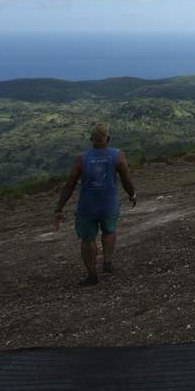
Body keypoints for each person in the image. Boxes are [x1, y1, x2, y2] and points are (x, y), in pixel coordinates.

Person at [54, 123, 136, 286]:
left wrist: (59, 208)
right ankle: (107, 263)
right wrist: (132, 194)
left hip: (87, 207)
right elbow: (126, 179)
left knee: (87, 239)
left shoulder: (81, 159)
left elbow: (69, 185)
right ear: (108, 139)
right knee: (109, 231)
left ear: (91, 140)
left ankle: (92, 275)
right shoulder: (118, 156)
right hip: (109, 205)